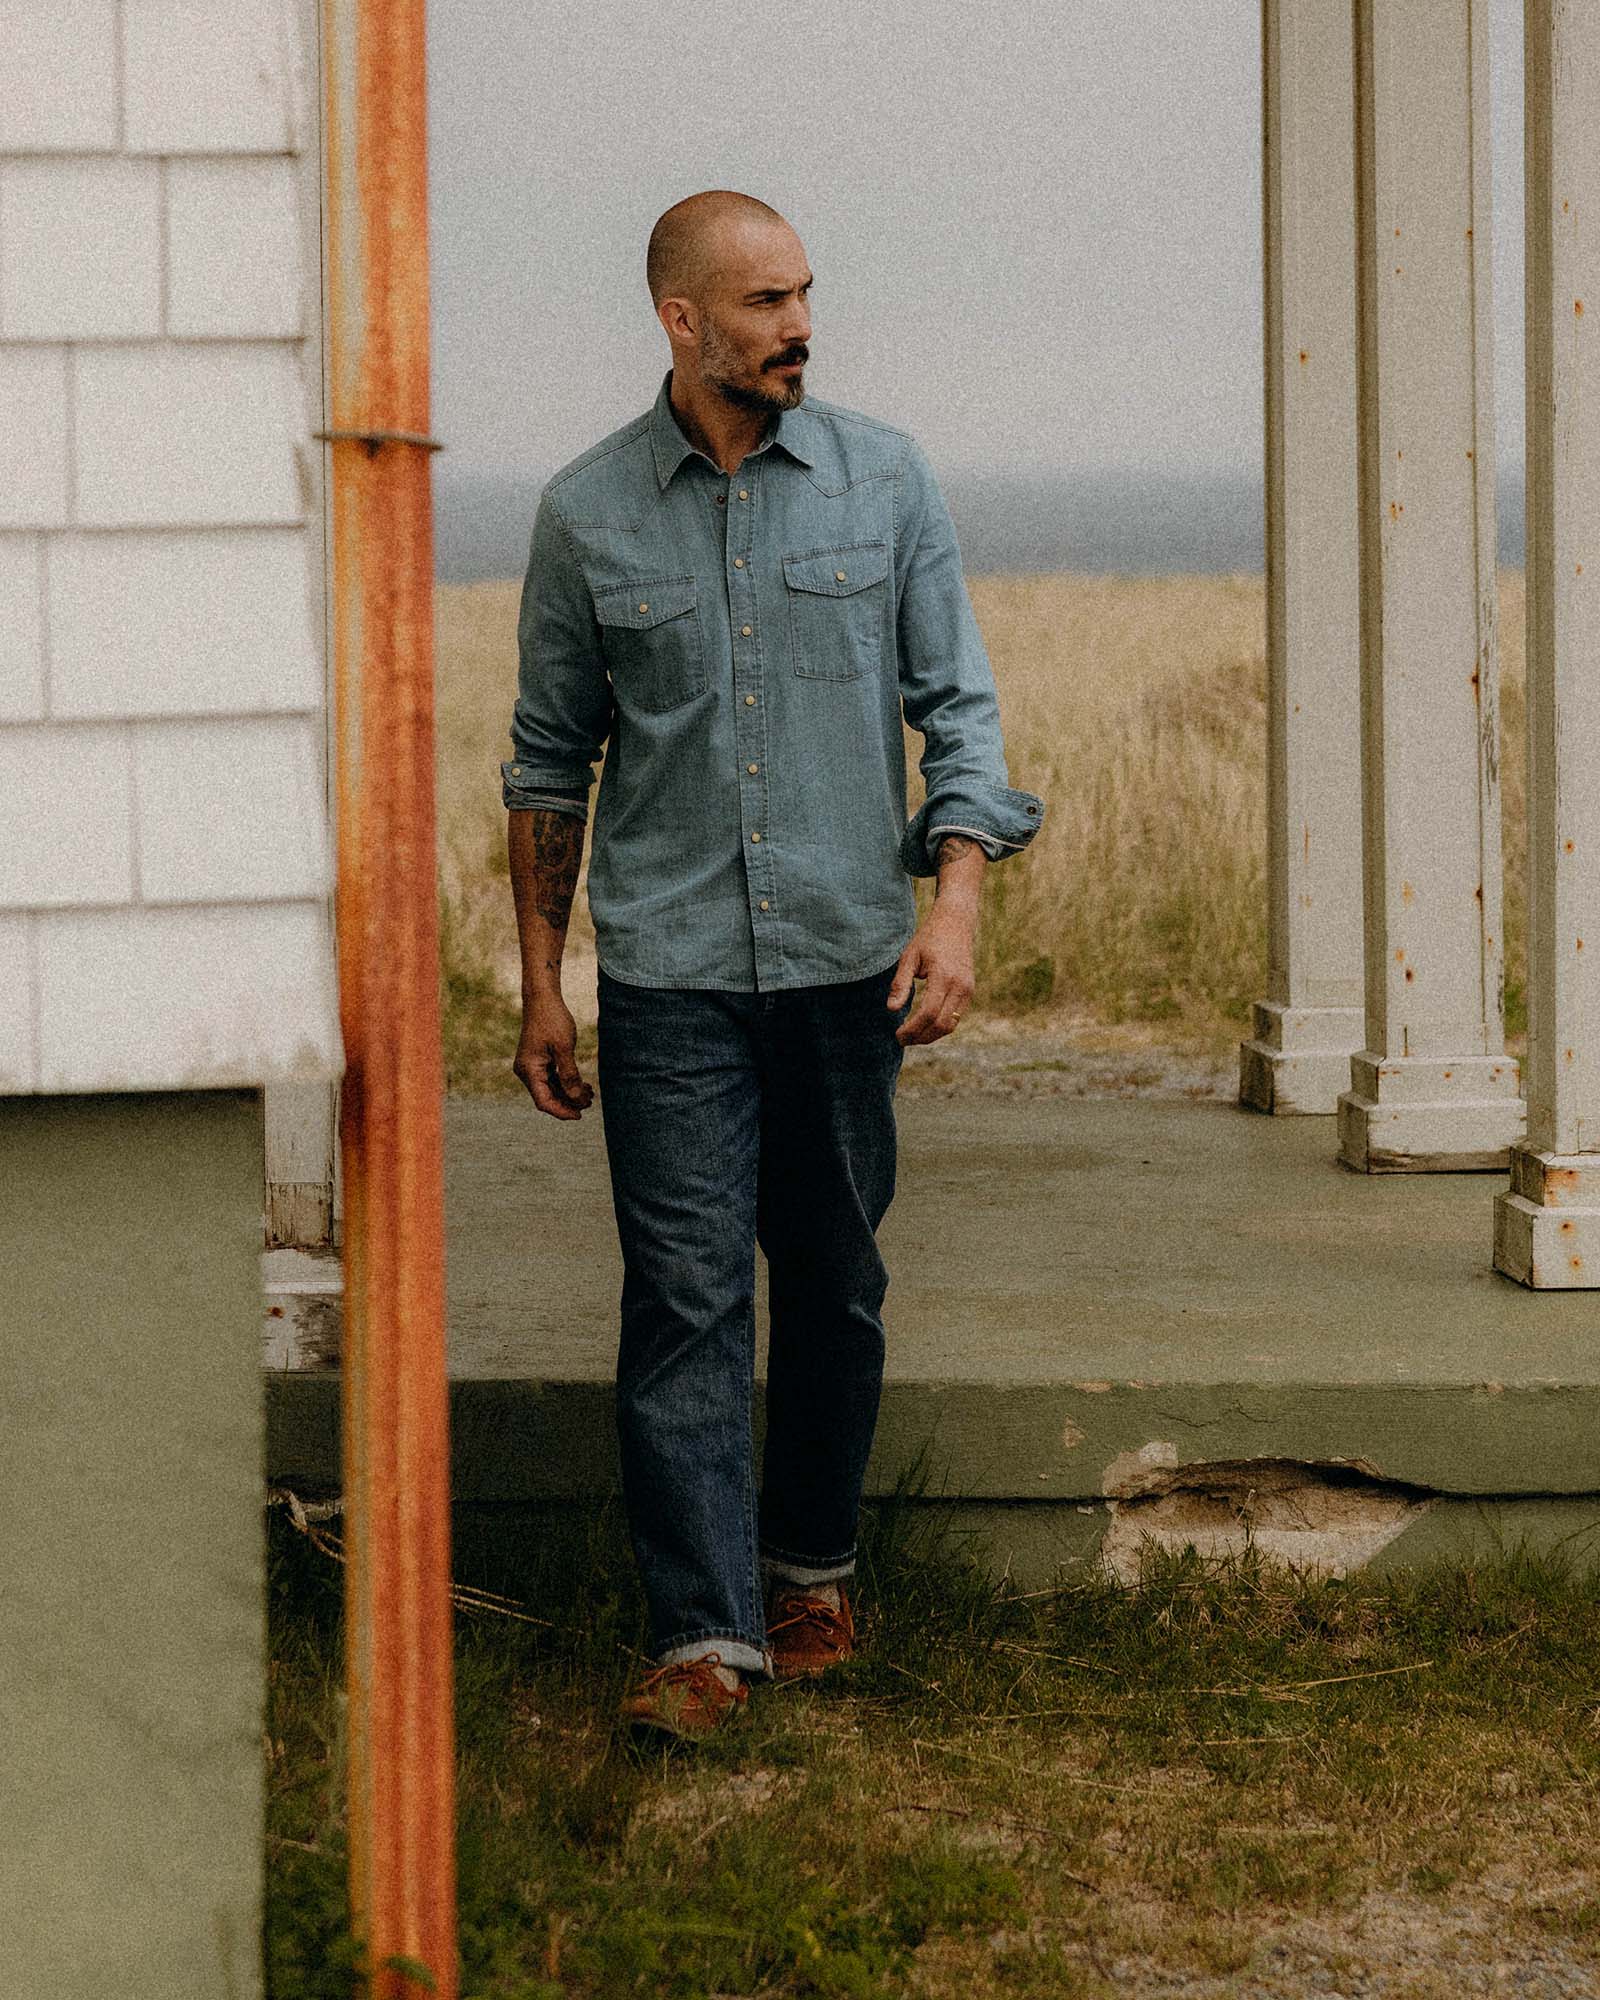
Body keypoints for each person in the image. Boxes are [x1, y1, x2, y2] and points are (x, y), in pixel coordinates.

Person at [502, 189, 1044, 1742]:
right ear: (682, 320)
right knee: (679, 1295)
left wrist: (956, 904)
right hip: (668, 973)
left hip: (840, 966)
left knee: (831, 1282)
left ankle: (809, 1571)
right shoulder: (586, 512)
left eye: (805, 293)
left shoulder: (886, 481)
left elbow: (960, 711)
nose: (800, 323)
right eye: (763, 303)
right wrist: (544, 978)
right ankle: (701, 1641)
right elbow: (550, 766)